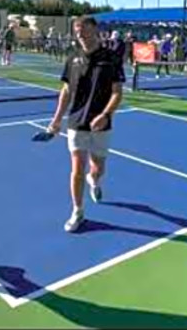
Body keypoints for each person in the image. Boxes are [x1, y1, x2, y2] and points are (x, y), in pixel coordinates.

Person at [47, 16, 125, 233]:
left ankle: (95, 179)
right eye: (77, 30)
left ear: (95, 31)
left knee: (98, 167)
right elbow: (66, 91)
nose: (80, 33)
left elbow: (117, 93)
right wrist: (56, 120)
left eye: (84, 29)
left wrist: (105, 114)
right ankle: (78, 211)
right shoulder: (72, 58)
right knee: (76, 168)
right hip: (76, 123)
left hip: (101, 124)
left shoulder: (110, 58)